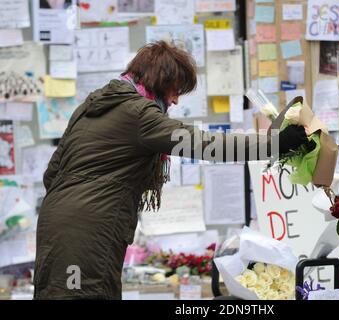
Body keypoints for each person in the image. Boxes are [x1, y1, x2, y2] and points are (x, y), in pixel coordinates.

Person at [33, 41, 310, 300]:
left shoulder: (92, 105)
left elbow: (52, 173)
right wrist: (275, 145)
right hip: (87, 231)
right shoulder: (139, 115)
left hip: (57, 226)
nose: (176, 100)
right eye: (175, 89)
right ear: (159, 81)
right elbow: (205, 144)